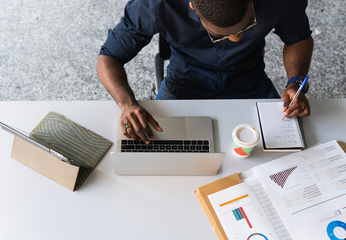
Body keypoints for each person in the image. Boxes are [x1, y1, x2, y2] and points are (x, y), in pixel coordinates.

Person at [97, 0, 313, 144]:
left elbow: (299, 38)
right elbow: (109, 57)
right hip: (183, 82)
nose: (237, 39)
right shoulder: (157, 4)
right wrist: (126, 104)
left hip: (249, 79)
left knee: (284, 155)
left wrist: (295, 82)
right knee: (156, 152)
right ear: (193, 7)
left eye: (246, 26)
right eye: (219, 35)